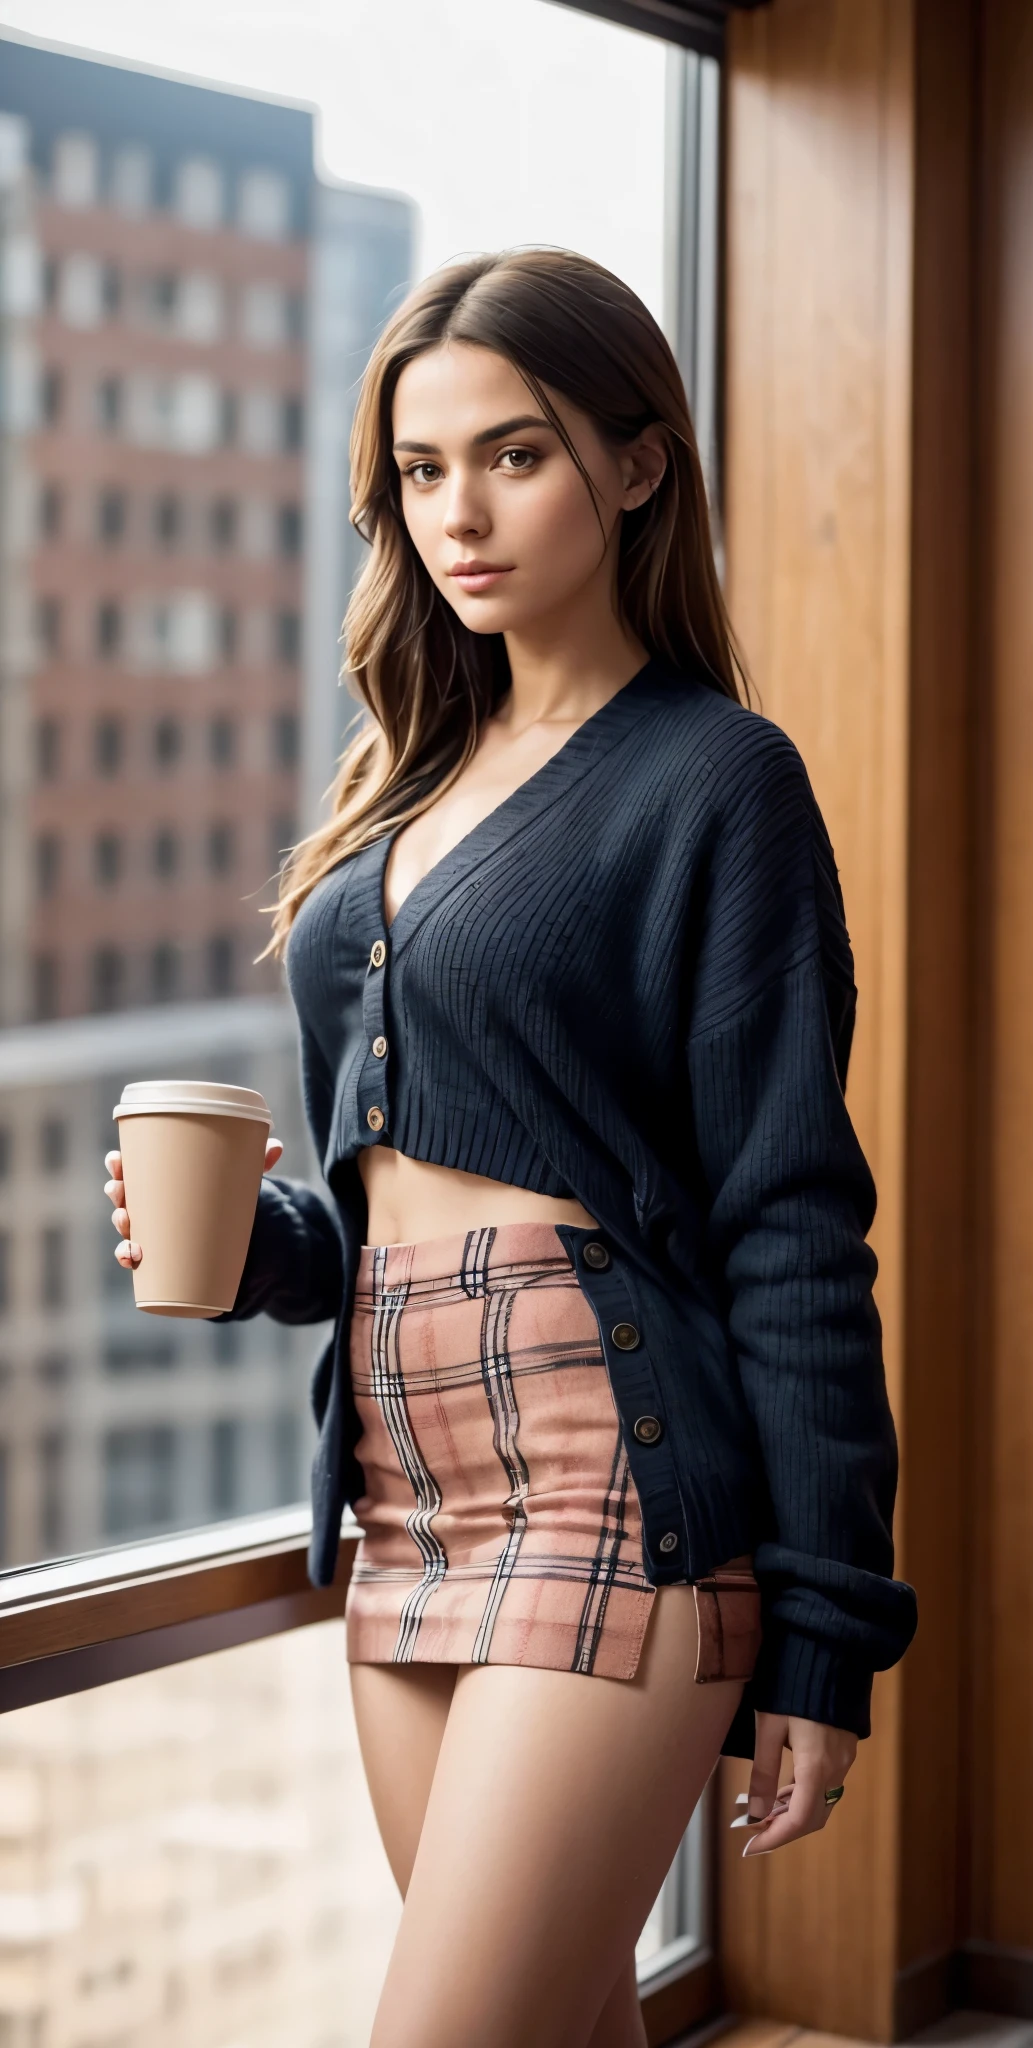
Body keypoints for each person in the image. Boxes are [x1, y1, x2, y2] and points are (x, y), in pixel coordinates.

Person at [105, 248, 917, 2048]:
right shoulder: (401, 776)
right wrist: (262, 1245)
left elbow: (789, 1219)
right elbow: (386, 1196)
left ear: (638, 465)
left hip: (609, 1467)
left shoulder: (720, 779)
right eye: (418, 469)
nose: (455, 513)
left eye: (515, 455)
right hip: (401, 1484)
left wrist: (828, 1634)